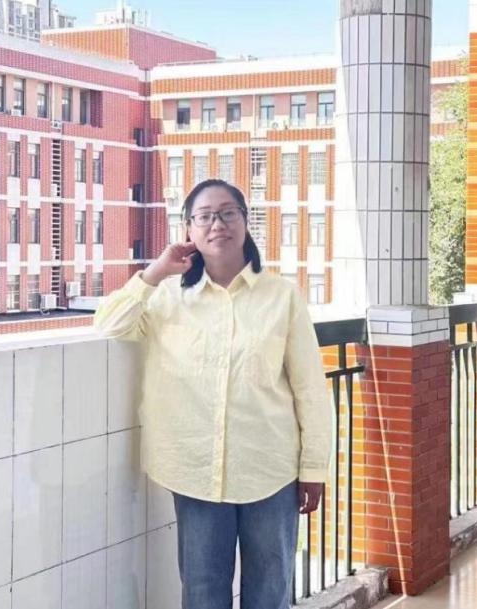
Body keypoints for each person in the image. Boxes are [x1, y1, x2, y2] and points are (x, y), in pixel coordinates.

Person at [94, 179, 333, 609]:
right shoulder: (167, 297)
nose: (217, 224)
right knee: (203, 592)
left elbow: (310, 388)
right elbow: (109, 324)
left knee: (270, 592)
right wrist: (154, 273)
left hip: (270, 469)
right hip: (195, 471)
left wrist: (314, 467)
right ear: (188, 229)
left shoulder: (282, 296)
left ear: (245, 221)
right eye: (204, 216)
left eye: (227, 213)